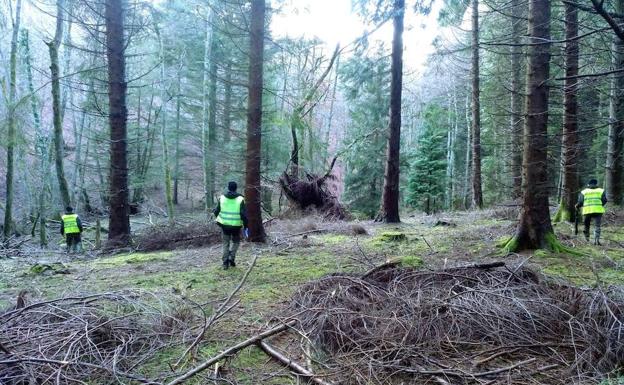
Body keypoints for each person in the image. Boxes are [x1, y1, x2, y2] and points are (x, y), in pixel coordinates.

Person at [213, 181, 248, 269]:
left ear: (228, 188)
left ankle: (225, 263)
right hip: (236, 225)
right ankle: (231, 257)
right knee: (236, 242)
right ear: (236, 188)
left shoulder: (222, 198)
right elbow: (243, 214)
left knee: (225, 243)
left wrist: (219, 219)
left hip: (224, 225)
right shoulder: (241, 199)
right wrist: (246, 225)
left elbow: (216, 211)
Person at [576, 178, 607, 245]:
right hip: (598, 210)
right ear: (596, 184)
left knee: (587, 225)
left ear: (588, 184)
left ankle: (587, 238)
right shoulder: (601, 191)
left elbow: (581, 202)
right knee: (597, 225)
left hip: (587, 210)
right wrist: (600, 205)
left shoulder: (584, 192)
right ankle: (596, 240)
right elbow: (604, 200)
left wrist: (577, 206)